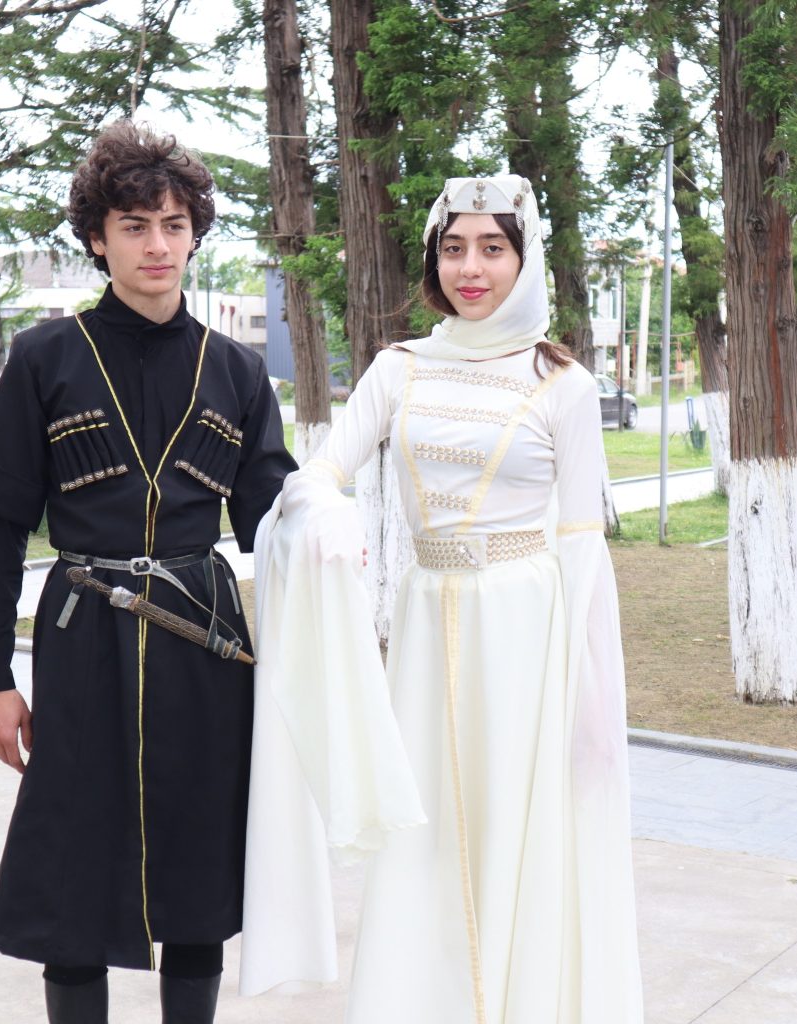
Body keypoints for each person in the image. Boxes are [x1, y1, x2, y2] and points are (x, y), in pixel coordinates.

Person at [242, 175, 643, 1022]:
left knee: (518, 834)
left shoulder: (563, 385)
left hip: (527, 635)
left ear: (523, 260)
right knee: (426, 841)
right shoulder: (400, 369)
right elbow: (315, 473)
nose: (471, 268)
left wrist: (591, 702)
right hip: (424, 628)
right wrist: (327, 512)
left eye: (492, 249)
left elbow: (582, 547)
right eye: (453, 248)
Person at [0, 121, 295, 1024]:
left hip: (203, 647)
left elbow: (276, 524)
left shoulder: (237, 370)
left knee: (196, 873)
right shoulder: (45, 358)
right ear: (97, 238)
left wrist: (338, 531)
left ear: (195, 235)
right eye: (134, 225)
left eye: (174, 225)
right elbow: (0, 533)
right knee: (75, 876)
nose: (156, 245)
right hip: (83, 640)